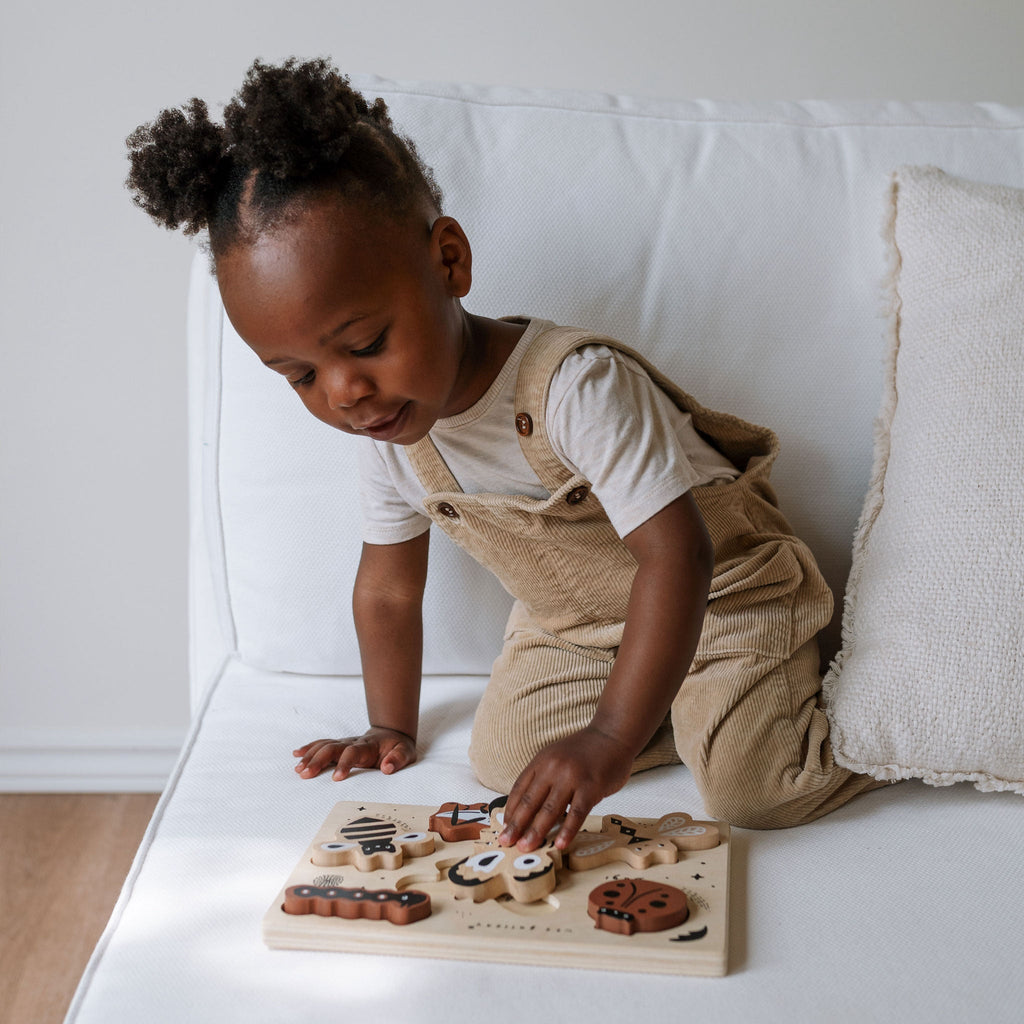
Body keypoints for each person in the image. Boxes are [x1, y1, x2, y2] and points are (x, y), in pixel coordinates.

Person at [127, 57, 880, 854]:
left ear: (448, 261)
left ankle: (862, 734)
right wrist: (389, 724)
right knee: (504, 759)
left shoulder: (576, 389)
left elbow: (678, 556)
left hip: (723, 596)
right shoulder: (391, 435)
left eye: (366, 344)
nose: (344, 393)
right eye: (301, 376)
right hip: (580, 631)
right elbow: (386, 590)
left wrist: (611, 739)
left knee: (748, 791)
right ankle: (683, 702)